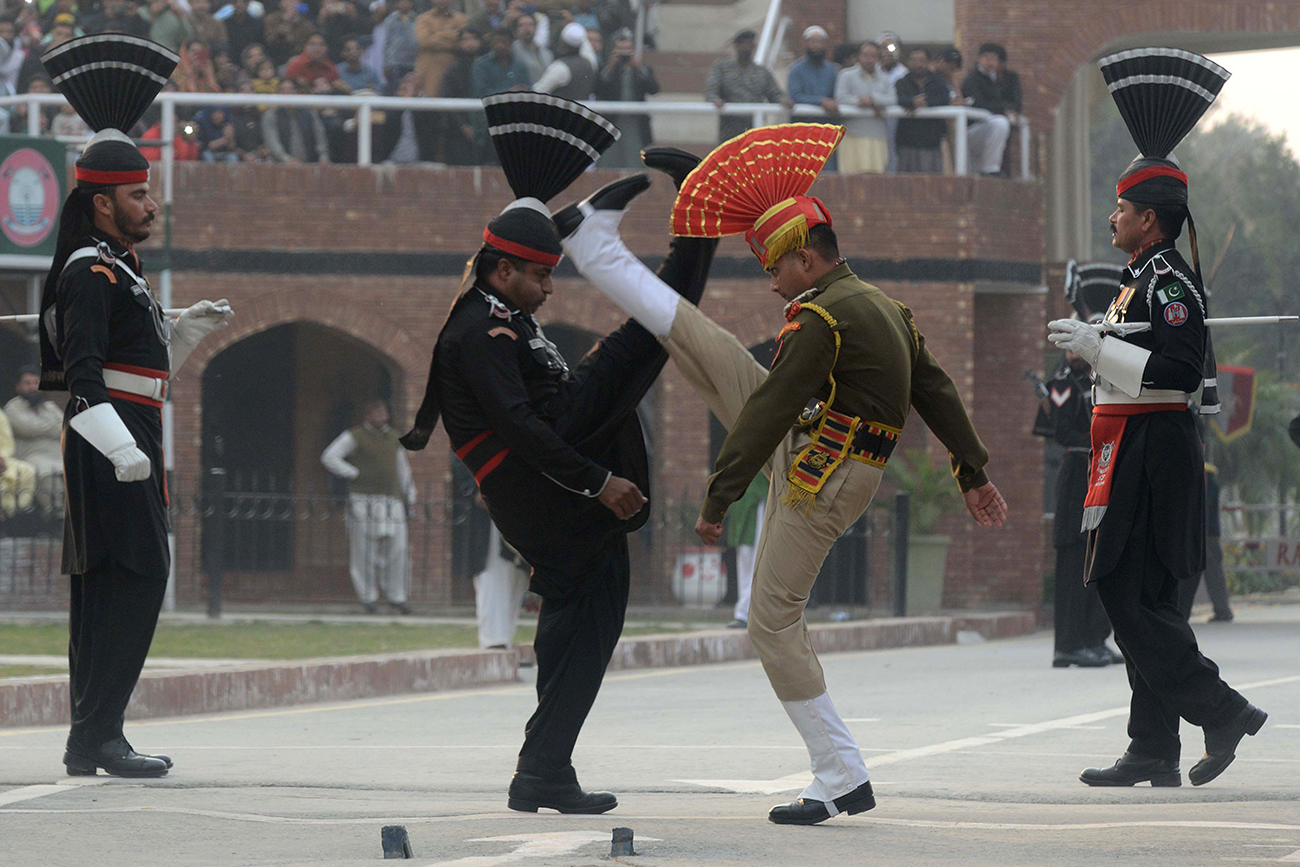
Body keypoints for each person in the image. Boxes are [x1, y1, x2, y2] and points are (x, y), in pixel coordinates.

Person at [559, 123, 1006, 825]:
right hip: (821, 457)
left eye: (773, 266)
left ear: (804, 259)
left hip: (815, 471)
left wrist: (719, 495)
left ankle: (840, 771)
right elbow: (938, 390)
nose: (771, 282)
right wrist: (972, 471)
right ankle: (595, 249)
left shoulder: (822, 317)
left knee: (770, 622)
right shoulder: (886, 308)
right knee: (705, 342)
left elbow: (769, 408)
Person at [399, 94, 718, 814]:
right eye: (541, 276)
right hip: (548, 467)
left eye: (552, 273)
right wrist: (600, 480)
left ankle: (543, 770)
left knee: (582, 619)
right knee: (645, 336)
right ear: (504, 268)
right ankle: (670, 231)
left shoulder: (501, 317)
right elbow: (518, 429)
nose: (547, 290)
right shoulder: (479, 330)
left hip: (550, 470)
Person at [1049, 48, 1265, 789]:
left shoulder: (1169, 282)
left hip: (1154, 446)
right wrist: (1096, 343)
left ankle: (1222, 707)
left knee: (1124, 589)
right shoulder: (1136, 280)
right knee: (1141, 594)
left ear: (1148, 219)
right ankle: (1152, 747)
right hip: (1131, 441)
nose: (1111, 217)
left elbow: (1180, 371)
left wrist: (1098, 352)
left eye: (1119, 208)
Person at [39, 34, 233, 778]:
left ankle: (92, 734)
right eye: (138, 194)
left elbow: (143, 376)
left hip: (132, 433)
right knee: (132, 579)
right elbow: (82, 379)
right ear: (101, 202)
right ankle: (100, 731)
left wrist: (182, 334)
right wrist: (123, 451)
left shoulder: (121, 266)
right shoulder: (90, 271)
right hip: (109, 446)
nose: (150, 204)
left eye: (148, 192)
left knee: (115, 582)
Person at [321, 398, 416, 614]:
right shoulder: (355, 436)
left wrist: (409, 495)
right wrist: (353, 473)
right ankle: (368, 597)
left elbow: (403, 469)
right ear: (368, 415)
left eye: (384, 412)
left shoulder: (394, 438)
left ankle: (397, 597)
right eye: (377, 412)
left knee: (397, 550)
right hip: (363, 498)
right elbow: (330, 456)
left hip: (391, 499)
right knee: (364, 550)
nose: (383, 416)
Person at [1177, 422, 1234, 623]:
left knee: (1198, 575)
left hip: (1204, 533)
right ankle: (1221, 610)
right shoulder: (1206, 471)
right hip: (1209, 532)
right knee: (1212, 575)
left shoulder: (1201, 472)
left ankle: (1217, 610)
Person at [704, 29, 791, 143]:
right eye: (744, 44)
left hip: (755, 128)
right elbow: (711, 89)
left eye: (751, 44)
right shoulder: (722, 68)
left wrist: (783, 99)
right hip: (729, 129)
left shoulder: (761, 72)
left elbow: (774, 92)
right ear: (736, 46)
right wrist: (714, 99)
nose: (748, 47)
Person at [592, 29, 658, 168]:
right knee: (608, 160)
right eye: (620, 50)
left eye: (628, 50)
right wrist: (611, 67)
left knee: (635, 160)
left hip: (635, 121)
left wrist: (639, 67)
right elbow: (598, 89)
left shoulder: (643, 68)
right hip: (612, 120)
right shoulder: (605, 68)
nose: (624, 55)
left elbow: (654, 89)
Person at [5, 365, 66, 515]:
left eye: (36, 382)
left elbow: (65, 427)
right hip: (33, 458)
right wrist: (52, 427)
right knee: (46, 474)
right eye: (27, 383)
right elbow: (28, 429)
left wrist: (41, 428)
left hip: (59, 455)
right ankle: (57, 516)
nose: (33, 387)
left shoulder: (49, 407)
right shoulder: (12, 408)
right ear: (18, 386)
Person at [833, 41, 895, 174]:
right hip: (852, 134)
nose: (869, 59)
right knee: (851, 178)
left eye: (873, 56)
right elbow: (840, 98)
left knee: (875, 180)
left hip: (877, 135)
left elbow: (893, 99)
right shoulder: (846, 75)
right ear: (859, 56)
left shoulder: (884, 79)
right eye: (866, 55)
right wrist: (859, 101)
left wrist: (873, 99)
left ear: (878, 58)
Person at [960, 43, 1019, 176]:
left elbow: (1016, 102)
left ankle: (992, 169)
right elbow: (978, 104)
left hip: (991, 131)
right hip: (974, 130)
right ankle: (990, 168)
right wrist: (1002, 109)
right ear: (979, 60)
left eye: (993, 59)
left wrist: (1007, 109)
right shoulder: (972, 79)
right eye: (986, 58)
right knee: (1000, 122)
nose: (990, 62)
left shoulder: (1004, 79)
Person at [786, 25, 838, 170]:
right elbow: (795, 96)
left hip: (826, 131)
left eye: (820, 42)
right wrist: (821, 101)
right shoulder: (796, 69)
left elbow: (837, 97)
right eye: (813, 42)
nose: (817, 46)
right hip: (803, 131)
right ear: (805, 44)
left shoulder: (832, 70)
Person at [893, 47, 952, 174]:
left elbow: (944, 100)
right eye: (914, 60)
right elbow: (897, 99)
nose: (918, 64)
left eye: (922, 60)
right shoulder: (901, 83)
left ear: (928, 62)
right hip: (907, 140)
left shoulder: (939, 82)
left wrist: (926, 102)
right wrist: (911, 102)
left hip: (931, 141)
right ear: (909, 62)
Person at [724, 472, 765, 628]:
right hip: (743, 506)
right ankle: (744, 612)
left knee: (758, 561)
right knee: (746, 561)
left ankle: (748, 611)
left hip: (759, 504)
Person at [413, 0, 465, 103]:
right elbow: (424, 41)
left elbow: (462, 41)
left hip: (453, 69)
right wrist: (451, 35)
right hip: (428, 72)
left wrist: (435, 35)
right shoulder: (423, 19)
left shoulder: (461, 19)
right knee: (428, 106)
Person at [532, 21, 594, 100]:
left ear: (563, 44)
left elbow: (538, 92)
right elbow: (584, 43)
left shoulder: (560, 67)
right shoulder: (591, 62)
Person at [471, 28, 531, 97]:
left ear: (511, 43)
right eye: (496, 42)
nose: (500, 46)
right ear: (491, 43)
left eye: (504, 42)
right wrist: (508, 92)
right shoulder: (481, 65)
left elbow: (528, 88)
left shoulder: (519, 65)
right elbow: (480, 93)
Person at [0, 408, 37, 517]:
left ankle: (15, 514)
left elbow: (7, 442)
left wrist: (2, 457)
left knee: (26, 471)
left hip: (2, 459)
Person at [511, 12, 550, 83]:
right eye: (521, 25)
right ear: (516, 30)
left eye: (530, 25)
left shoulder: (546, 53)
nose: (526, 28)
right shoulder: (513, 50)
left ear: (535, 29)